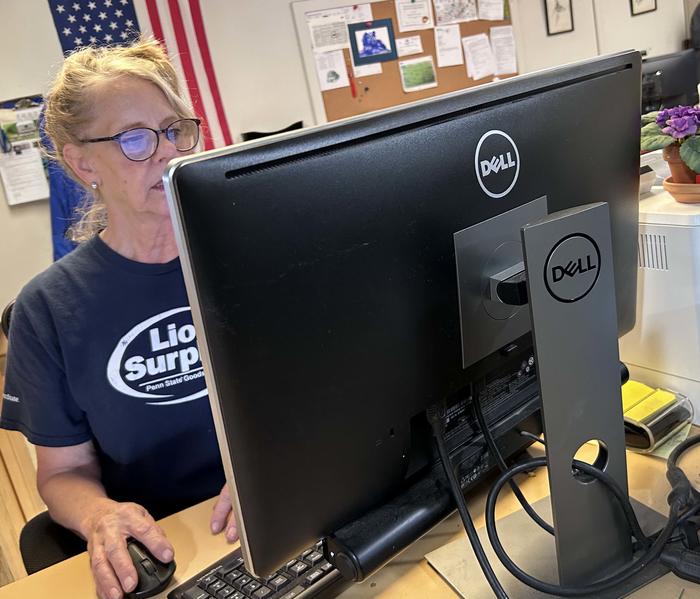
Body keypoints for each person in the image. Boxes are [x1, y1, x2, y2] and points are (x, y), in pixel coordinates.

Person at [0, 38, 237, 599]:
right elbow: (61, 474)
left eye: (175, 129)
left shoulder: (246, 257)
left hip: (271, 510)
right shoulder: (48, 310)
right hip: (169, 543)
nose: (166, 152)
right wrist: (100, 516)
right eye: (135, 138)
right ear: (83, 163)